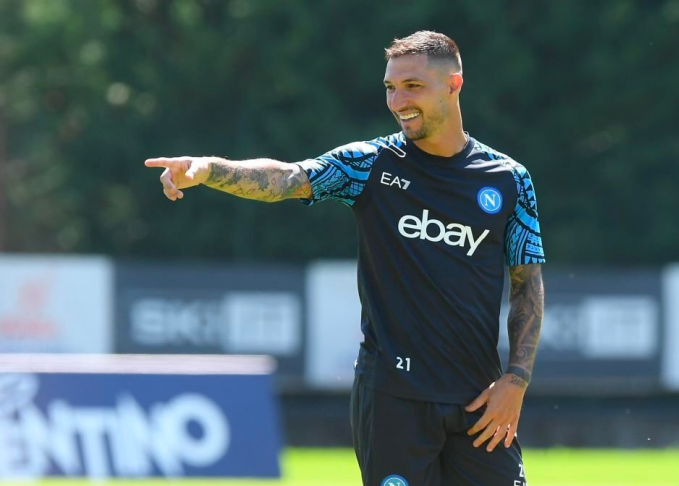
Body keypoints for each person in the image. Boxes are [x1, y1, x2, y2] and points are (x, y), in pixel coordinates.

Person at [146, 30, 545, 486]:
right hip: (394, 396)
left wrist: (516, 380)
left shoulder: (510, 179)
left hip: (480, 400)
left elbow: (526, 283)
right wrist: (211, 169)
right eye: (390, 88)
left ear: (454, 85)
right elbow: (289, 178)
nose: (398, 101)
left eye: (412, 86)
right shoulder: (370, 163)